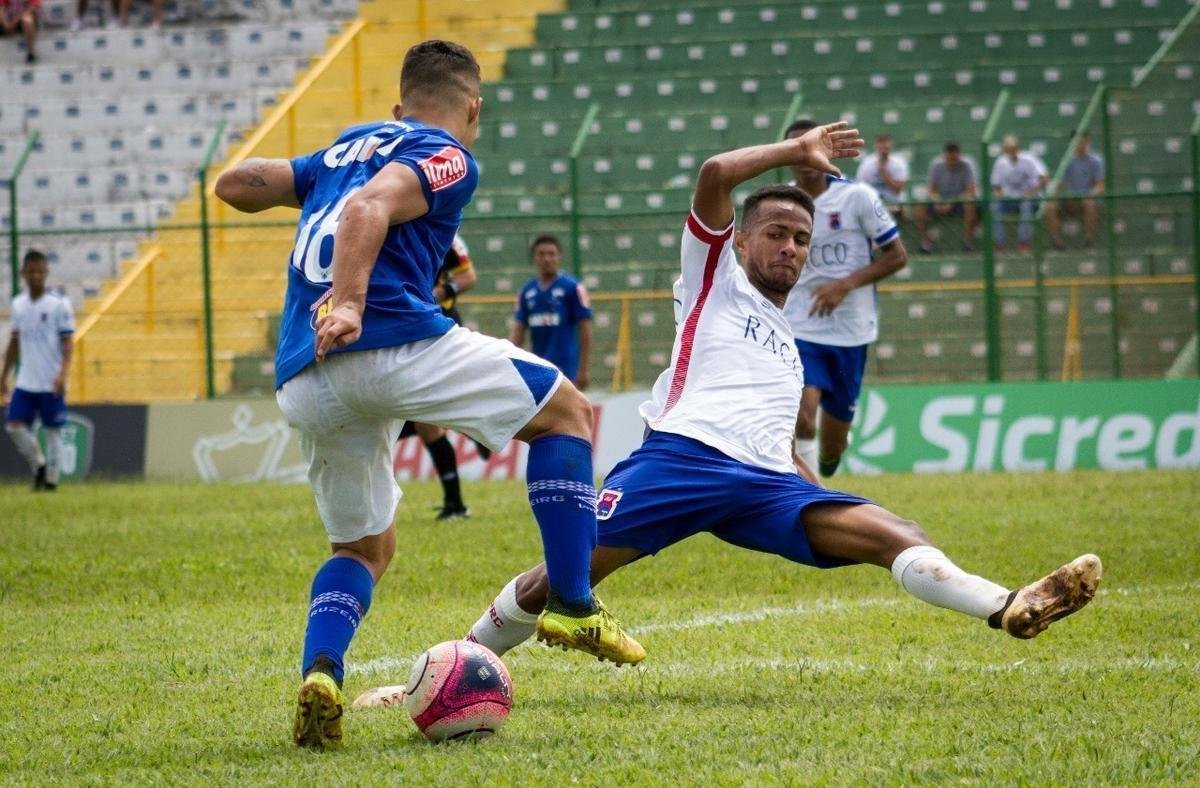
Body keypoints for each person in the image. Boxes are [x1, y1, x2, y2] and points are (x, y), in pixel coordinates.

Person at [440, 124, 1103, 675]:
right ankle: (456, 662)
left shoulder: (789, 349)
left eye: (801, 239)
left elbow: (782, 445)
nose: (789, 246)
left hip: (766, 485)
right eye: (777, 232)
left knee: (897, 533)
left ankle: (1010, 604)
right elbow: (713, 174)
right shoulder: (713, 280)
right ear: (742, 238)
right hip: (681, 463)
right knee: (557, 582)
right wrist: (795, 151)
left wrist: (816, 493)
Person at [214, 39, 642, 749]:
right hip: (383, 340)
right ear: (473, 108)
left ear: (396, 108)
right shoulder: (448, 156)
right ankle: (573, 602)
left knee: (362, 546)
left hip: (305, 374)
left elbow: (235, 183)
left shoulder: (348, 148)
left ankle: (322, 671)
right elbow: (367, 210)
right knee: (566, 412)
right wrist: (349, 302)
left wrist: (312, 172)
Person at [784, 118, 908, 479]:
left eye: (809, 147)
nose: (803, 156)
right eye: (795, 150)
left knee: (832, 445)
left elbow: (897, 255)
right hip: (800, 325)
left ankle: (829, 460)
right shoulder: (784, 203)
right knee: (803, 418)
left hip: (851, 332)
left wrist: (845, 284)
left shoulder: (858, 197)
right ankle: (812, 500)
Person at [396, 232, 492, 522]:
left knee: (425, 421)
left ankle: (456, 504)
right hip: (404, 329)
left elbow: (469, 275)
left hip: (438, 328)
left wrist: (442, 290)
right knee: (422, 420)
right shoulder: (388, 225)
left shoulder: (446, 233)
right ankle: (474, 424)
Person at [1, 250, 74, 491]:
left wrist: (63, 374)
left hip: (50, 380)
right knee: (14, 425)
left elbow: (67, 342)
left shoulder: (59, 305)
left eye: (40, 271)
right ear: (23, 273)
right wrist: (4, 375)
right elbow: (14, 342)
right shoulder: (19, 304)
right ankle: (39, 466)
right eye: (31, 271)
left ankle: (51, 482)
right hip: (25, 381)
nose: (35, 275)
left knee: (53, 432)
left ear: (46, 272)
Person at [509, 235, 593, 390]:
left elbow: (585, 329)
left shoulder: (573, 287)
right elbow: (518, 332)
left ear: (559, 257)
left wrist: (584, 369)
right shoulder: (527, 291)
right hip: (539, 368)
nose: (546, 259)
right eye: (541, 254)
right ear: (534, 258)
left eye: (551, 254)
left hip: (567, 369)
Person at [913, 141, 979, 253]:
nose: (952, 161)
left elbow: (970, 190)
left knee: (970, 203)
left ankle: (967, 243)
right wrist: (938, 201)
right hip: (941, 200)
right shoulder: (936, 164)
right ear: (945, 156)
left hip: (959, 201)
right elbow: (931, 189)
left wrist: (951, 202)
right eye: (949, 158)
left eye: (955, 158)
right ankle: (926, 243)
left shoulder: (967, 164)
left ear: (959, 155)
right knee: (919, 206)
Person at [1045, 132, 1105, 250]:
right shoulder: (1068, 160)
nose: (1080, 145)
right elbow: (1062, 184)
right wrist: (1053, 188)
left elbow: (1100, 185)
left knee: (1090, 203)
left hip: (1087, 198)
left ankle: (1089, 241)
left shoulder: (1096, 160)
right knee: (1050, 206)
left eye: (1082, 142)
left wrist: (1090, 195)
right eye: (1077, 142)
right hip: (1070, 198)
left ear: (1087, 142)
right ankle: (1058, 243)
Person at [990, 134, 1048, 254]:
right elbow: (996, 186)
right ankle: (999, 245)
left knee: (1025, 204)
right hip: (1010, 200)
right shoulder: (1001, 163)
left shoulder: (1029, 159)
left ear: (1018, 148)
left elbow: (1044, 179)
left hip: (1031, 199)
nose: (1011, 151)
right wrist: (998, 194)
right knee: (994, 205)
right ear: (1005, 150)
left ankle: (1023, 243)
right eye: (1008, 149)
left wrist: (1030, 192)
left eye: (1013, 148)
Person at [854, 133, 908, 219]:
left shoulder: (899, 164)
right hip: (873, 203)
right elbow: (860, 186)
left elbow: (898, 189)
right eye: (881, 147)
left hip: (894, 203)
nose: (883, 150)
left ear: (890, 147)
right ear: (876, 147)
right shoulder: (866, 164)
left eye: (886, 148)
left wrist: (884, 174)